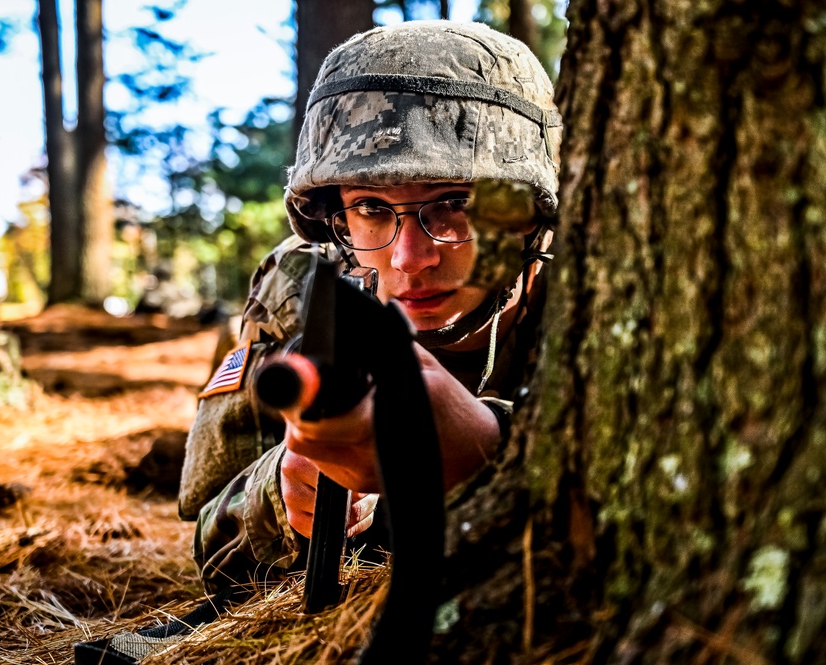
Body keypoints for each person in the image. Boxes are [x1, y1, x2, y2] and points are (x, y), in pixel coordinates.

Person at [178, 19, 562, 593]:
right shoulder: (304, 288)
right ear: (335, 219)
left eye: (454, 202)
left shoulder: (596, 293)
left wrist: (490, 449)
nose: (410, 258)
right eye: (372, 208)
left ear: (531, 213)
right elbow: (211, 538)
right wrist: (281, 497)